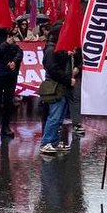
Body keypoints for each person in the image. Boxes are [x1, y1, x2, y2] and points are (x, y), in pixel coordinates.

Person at [40, 22, 74, 154]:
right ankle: (47, 142)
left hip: (60, 87)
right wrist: (67, 79)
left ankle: (53, 141)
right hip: (55, 87)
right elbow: (53, 68)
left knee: (59, 117)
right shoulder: (50, 50)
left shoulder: (55, 49)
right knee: (54, 116)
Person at [0, 25, 23, 141]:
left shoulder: (11, 37)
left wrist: (15, 62)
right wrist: (6, 43)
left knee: (8, 100)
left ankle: (5, 126)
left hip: (11, 73)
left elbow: (19, 51)